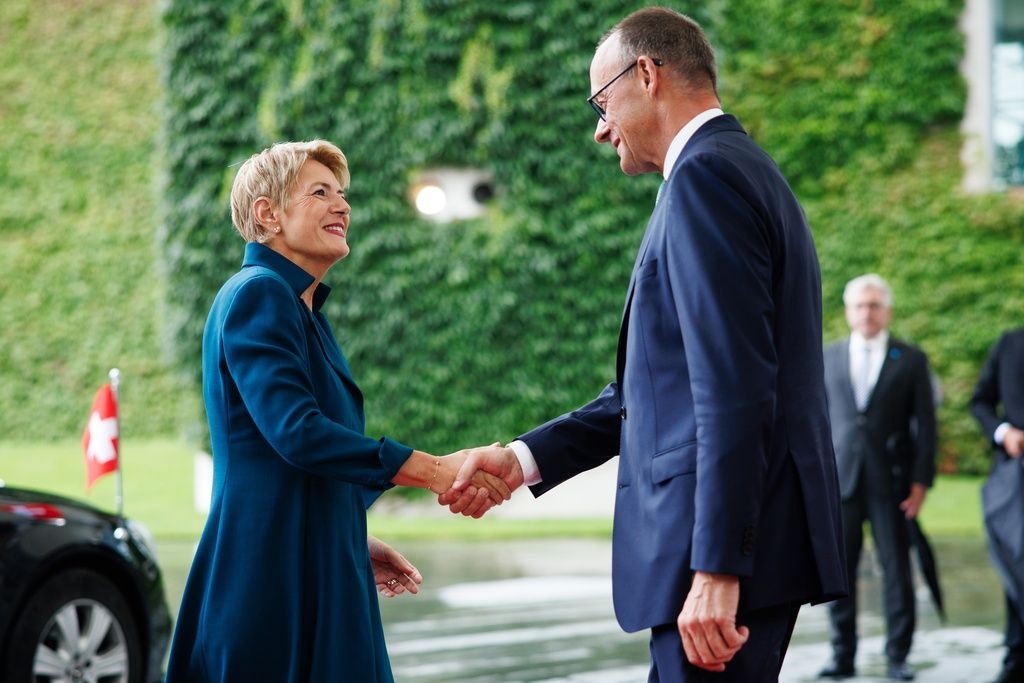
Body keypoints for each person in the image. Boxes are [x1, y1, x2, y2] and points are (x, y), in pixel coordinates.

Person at [441, 8, 847, 681]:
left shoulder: (705, 181)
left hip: (713, 569)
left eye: (602, 102)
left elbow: (735, 390)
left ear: (648, 74)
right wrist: (521, 458)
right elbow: (663, 389)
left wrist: (718, 566)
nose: (600, 129)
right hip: (732, 555)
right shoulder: (740, 170)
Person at [164, 140, 509, 683]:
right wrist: (434, 469)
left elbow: (300, 457)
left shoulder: (304, 311)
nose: (342, 205)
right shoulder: (261, 294)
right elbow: (298, 433)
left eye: (342, 194)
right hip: (269, 570)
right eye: (320, 192)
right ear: (267, 213)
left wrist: (344, 533)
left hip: (304, 556)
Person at [818, 274, 937, 681]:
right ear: (848, 311)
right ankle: (842, 657)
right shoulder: (827, 356)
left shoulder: (911, 358)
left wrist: (921, 483)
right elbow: (813, 421)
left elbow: (927, 425)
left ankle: (897, 658)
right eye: (860, 305)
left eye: (874, 305)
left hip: (893, 485)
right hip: (840, 483)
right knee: (837, 576)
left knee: (897, 573)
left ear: (886, 310)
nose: (867, 312)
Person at [970, 328, 1024, 683]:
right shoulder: (1009, 342)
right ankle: (1017, 655)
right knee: (1016, 560)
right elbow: (980, 402)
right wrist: (1005, 432)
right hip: (1016, 477)